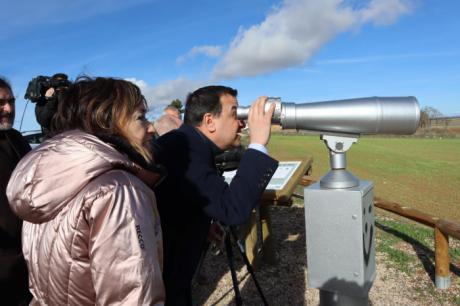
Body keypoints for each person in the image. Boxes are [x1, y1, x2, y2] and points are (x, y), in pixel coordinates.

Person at [7, 77, 165, 305]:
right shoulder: (118, 189)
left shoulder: (46, 181)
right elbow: (134, 296)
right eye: (140, 117)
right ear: (108, 121)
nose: (151, 127)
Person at [154, 85, 278, 305]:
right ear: (209, 121)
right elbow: (232, 210)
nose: (242, 122)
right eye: (235, 113)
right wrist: (258, 143)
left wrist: (200, 220)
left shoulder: (188, 142)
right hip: (164, 276)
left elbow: (178, 196)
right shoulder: (185, 150)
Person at [0, 77, 32, 305]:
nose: (9, 109)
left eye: (11, 101)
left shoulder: (16, 138)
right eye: (1, 102)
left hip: (29, 257)